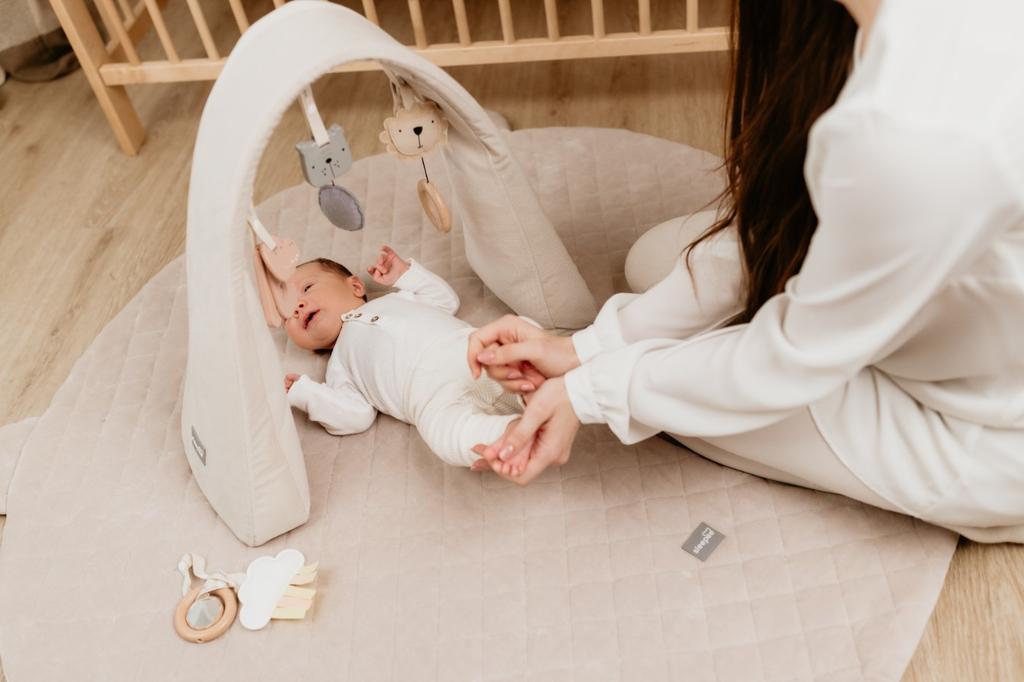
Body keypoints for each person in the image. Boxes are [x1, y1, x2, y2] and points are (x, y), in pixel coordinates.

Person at [466, 0, 1024, 543]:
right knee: (655, 263)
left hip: (986, 431)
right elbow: (793, 236)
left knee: (663, 403)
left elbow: (785, 360)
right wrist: (588, 347)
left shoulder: (918, 132)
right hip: (958, 323)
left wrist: (590, 392)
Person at [283, 246, 531, 467]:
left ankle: (539, 385)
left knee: (517, 332)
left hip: (470, 352)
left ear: (356, 286)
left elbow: (446, 300)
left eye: (306, 289)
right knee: (443, 434)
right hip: (432, 398)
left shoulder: (398, 298)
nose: (297, 306)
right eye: (286, 312)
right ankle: (507, 433)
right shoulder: (339, 367)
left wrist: (405, 275)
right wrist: (305, 394)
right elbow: (355, 416)